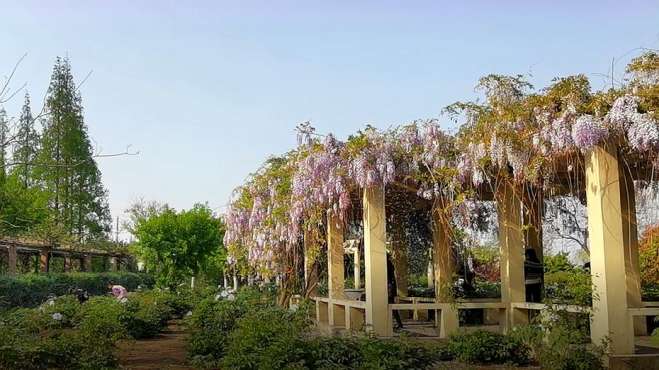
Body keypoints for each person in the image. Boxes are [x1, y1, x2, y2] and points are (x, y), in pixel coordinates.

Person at [387, 255, 404, 330]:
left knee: (391, 306)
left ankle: (398, 323)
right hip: (390, 288)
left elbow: (388, 277)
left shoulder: (387, 264)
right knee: (392, 307)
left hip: (390, 289)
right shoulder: (389, 263)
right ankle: (398, 323)